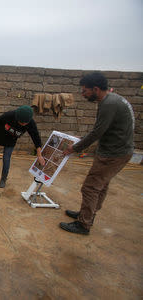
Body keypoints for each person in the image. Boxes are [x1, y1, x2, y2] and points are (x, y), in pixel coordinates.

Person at [60, 72, 134, 235]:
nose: (83, 94)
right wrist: (82, 139)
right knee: (101, 186)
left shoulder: (108, 104)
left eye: (85, 91)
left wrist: (74, 147)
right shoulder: (112, 99)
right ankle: (87, 214)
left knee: (91, 188)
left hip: (112, 154)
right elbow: (102, 129)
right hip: (119, 151)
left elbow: (96, 133)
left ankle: (83, 224)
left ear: (95, 89)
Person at [0, 105, 45, 188]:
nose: (23, 124)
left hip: (11, 141)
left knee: (6, 159)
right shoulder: (9, 115)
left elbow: (36, 138)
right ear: (17, 117)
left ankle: (3, 179)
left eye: (25, 123)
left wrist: (39, 155)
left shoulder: (31, 123)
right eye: (21, 122)